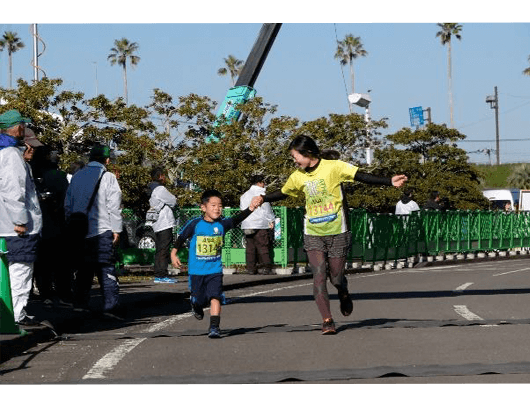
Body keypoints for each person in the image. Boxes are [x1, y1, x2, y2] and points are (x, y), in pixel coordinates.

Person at [251, 135, 407, 335]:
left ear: (307, 153)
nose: (294, 161)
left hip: (337, 231)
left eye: (295, 156)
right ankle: (327, 320)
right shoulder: (297, 176)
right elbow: (283, 192)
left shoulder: (334, 167)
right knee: (318, 276)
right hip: (313, 233)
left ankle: (343, 291)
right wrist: (262, 198)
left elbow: (361, 176)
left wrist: (388, 181)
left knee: (336, 277)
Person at [170, 189, 255, 339]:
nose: (217, 209)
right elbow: (181, 237)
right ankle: (195, 303)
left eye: (220, 205)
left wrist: (251, 208)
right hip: (196, 270)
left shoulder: (223, 224)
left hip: (214, 269)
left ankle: (214, 327)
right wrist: (173, 253)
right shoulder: (195, 224)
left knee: (215, 296)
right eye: (213, 205)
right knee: (200, 300)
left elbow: (237, 219)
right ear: (203, 207)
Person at [64, 144, 123, 319]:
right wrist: (116, 229)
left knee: (83, 270)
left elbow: (67, 204)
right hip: (102, 229)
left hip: (80, 230)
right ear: (106, 160)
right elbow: (114, 206)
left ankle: (80, 304)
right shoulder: (108, 177)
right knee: (106, 269)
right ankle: (110, 307)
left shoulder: (77, 176)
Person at [0, 110, 43, 326]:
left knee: (8, 273)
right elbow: (13, 190)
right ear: (18, 128)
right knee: (21, 270)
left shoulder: (6, 153)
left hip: (4, 225)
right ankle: (17, 314)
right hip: (16, 227)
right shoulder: (10, 155)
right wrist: (20, 220)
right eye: (23, 126)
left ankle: (11, 313)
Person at [240, 174, 276, 275]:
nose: (264, 185)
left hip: (247, 223)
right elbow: (266, 210)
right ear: (259, 183)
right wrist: (271, 220)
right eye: (263, 182)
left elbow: (243, 209)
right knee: (263, 246)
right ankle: (266, 268)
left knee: (250, 247)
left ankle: (251, 268)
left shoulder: (244, 195)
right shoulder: (261, 194)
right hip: (260, 223)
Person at [147, 166, 178, 284]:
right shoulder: (160, 189)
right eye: (163, 175)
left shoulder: (151, 188)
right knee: (164, 249)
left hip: (157, 223)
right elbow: (173, 200)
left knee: (160, 249)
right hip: (164, 222)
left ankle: (159, 273)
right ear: (160, 176)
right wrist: (174, 199)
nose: (164, 177)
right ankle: (162, 274)